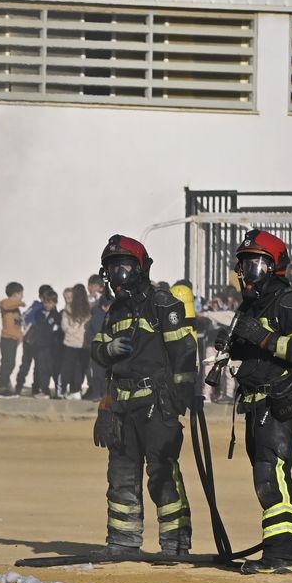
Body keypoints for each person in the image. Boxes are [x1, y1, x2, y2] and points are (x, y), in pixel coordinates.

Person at [89, 236, 196, 561]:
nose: (118, 274)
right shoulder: (114, 312)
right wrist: (107, 351)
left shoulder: (162, 303)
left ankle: (175, 545)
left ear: (140, 267)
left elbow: (184, 351)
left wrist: (178, 398)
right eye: (112, 268)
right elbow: (97, 350)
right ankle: (123, 543)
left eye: (123, 266)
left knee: (162, 475)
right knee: (121, 477)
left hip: (157, 405)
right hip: (122, 407)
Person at [220, 230, 292, 574]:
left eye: (256, 263)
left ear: (274, 265)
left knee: (270, 473)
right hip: (255, 402)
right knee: (267, 474)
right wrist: (234, 344)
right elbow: (253, 350)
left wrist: (261, 337)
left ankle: (281, 556)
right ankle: (281, 551)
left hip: (279, 401)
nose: (248, 270)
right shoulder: (253, 303)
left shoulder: (289, 302)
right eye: (245, 263)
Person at [26, 288, 62, 397]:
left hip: (52, 348)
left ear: (55, 303)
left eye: (50, 302)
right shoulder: (39, 314)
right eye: (45, 302)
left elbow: (56, 332)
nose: (47, 305)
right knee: (41, 369)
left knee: (53, 369)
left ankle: (59, 391)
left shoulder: (57, 316)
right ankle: (44, 390)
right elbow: (37, 328)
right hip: (41, 346)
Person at [58, 283, 92, 399]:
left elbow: (64, 326)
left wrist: (71, 331)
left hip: (72, 343)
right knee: (77, 368)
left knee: (69, 368)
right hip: (81, 344)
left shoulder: (70, 309)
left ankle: (64, 391)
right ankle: (75, 391)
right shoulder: (88, 308)